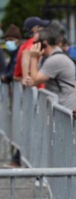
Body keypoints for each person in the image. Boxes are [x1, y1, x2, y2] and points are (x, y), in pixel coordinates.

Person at [27, 26, 76, 110]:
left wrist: (33, 58)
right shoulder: (46, 57)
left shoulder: (56, 59)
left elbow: (35, 80)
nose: (32, 46)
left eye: (35, 43)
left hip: (69, 108)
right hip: (61, 107)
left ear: (44, 43)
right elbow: (32, 77)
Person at [1, 24, 23, 168]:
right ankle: (17, 156)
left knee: (22, 129)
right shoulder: (14, 53)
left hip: (21, 99)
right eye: (6, 40)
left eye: (10, 40)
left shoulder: (18, 53)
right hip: (16, 98)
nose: (8, 43)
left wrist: (7, 77)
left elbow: (12, 73)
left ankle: (19, 157)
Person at [13, 16, 49, 85]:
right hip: (37, 89)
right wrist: (26, 77)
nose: (44, 29)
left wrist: (25, 77)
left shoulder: (24, 45)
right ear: (35, 29)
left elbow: (16, 76)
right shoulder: (34, 43)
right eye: (42, 27)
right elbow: (26, 53)